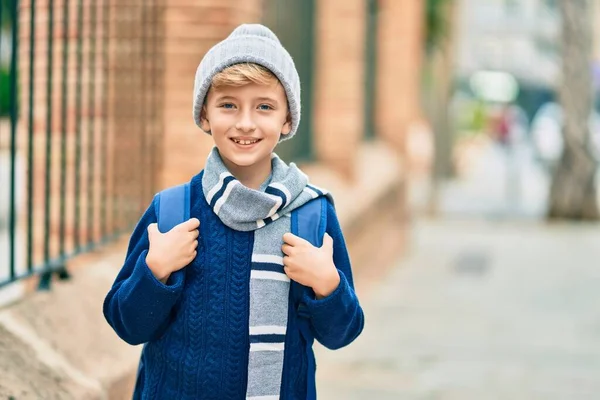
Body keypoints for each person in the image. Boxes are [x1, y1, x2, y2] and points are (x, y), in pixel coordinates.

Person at [103, 23, 364, 400]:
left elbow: (343, 332)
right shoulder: (173, 211)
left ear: (287, 120)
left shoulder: (311, 214)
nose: (245, 122)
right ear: (204, 116)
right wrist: (154, 271)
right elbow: (127, 324)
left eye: (264, 107)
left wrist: (328, 284)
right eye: (228, 105)